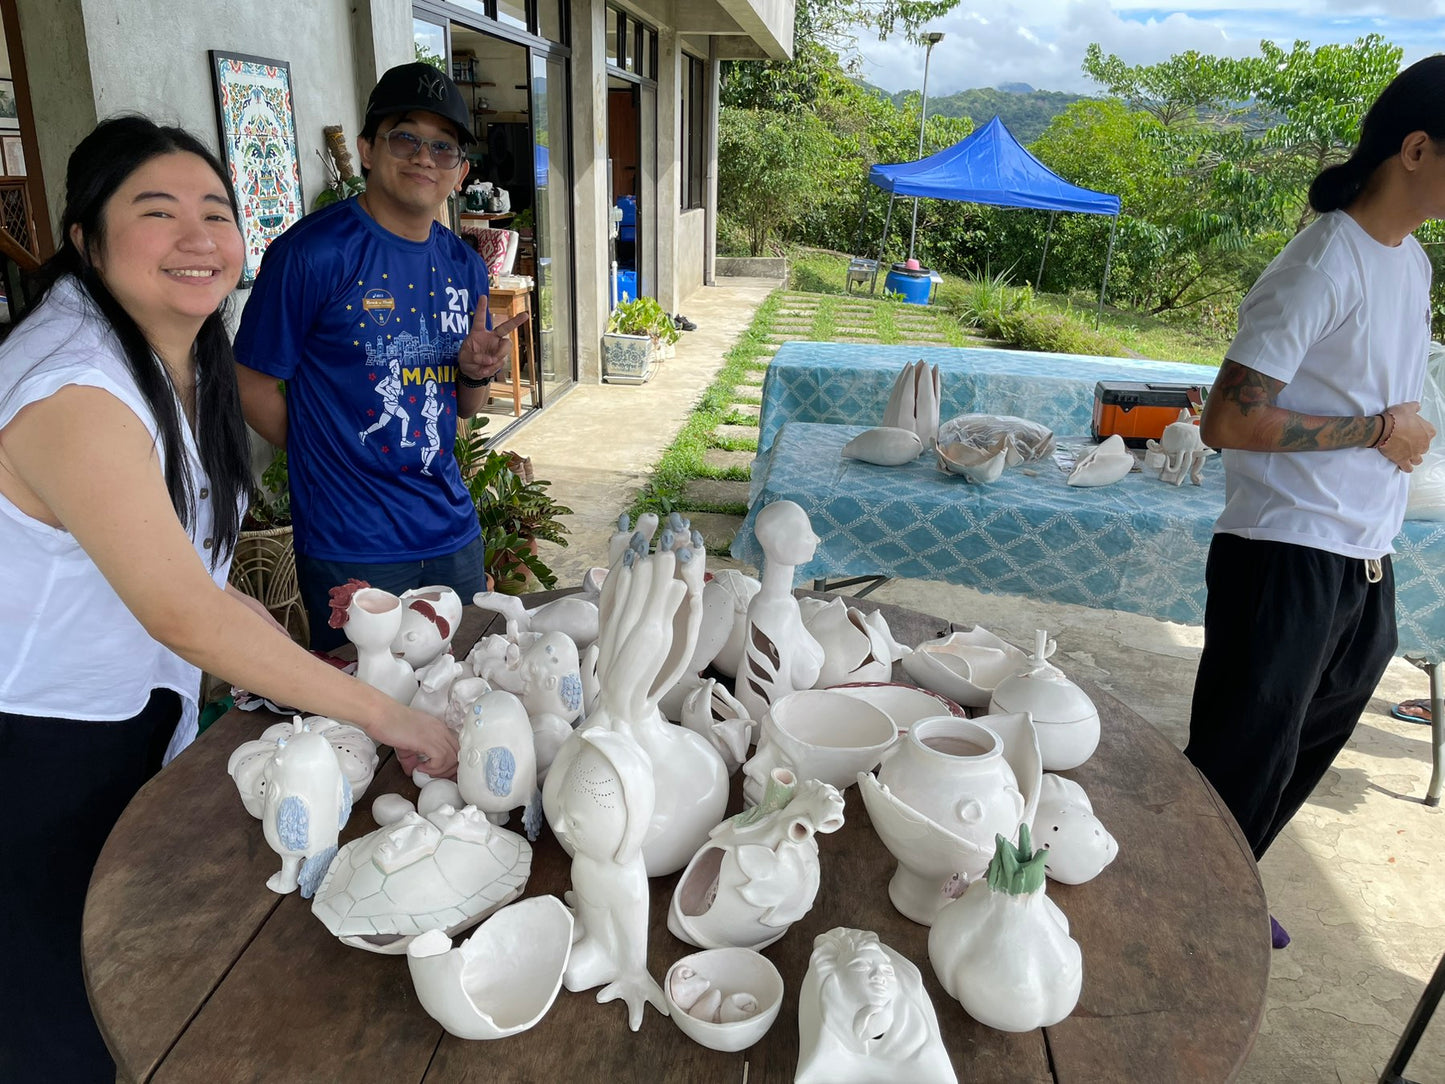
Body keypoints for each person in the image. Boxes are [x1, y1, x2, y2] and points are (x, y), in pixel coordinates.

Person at [0, 117, 458, 1084]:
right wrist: (389, 715)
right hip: (34, 735)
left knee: (110, 965)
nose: (199, 238)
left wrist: (311, 673)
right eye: (156, 212)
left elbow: (200, 586)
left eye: (216, 211)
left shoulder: (181, 356)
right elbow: (186, 614)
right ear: (85, 237)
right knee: (51, 1008)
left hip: (119, 709)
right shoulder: (72, 386)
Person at [1184, 56, 1445, 947]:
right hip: (1283, 552)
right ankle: (1175, 907)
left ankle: (1213, 889)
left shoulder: (1408, 262)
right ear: (1416, 147)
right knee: (1234, 762)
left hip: (1361, 558)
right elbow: (1227, 417)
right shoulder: (1321, 262)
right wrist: (1377, 431)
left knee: (1295, 751)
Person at [234, 62, 527, 651]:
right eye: (405, 137)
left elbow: (464, 407)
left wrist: (477, 371)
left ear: (460, 172)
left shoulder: (465, 266)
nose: (424, 157)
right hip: (351, 541)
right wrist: (326, 451)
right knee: (366, 714)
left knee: (463, 688)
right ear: (367, 149)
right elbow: (251, 384)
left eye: (444, 147)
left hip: (451, 531)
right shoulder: (311, 254)